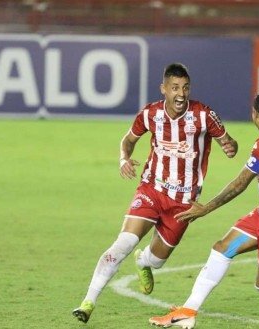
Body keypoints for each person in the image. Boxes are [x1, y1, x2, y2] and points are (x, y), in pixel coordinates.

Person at [72, 63, 239, 323]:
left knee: (158, 260)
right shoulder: (150, 114)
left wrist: (231, 147)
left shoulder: (204, 115)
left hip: (183, 202)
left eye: (185, 87)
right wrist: (123, 159)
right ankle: (88, 302)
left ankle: (143, 262)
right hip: (152, 189)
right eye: (174, 88)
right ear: (164, 89)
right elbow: (128, 140)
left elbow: (229, 141)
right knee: (123, 243)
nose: (181, 94)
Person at [148, 90, 259, 329]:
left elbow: (240, 183)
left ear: (256, 114)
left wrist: (206, 208)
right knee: (222, 248)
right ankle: (188, 311)